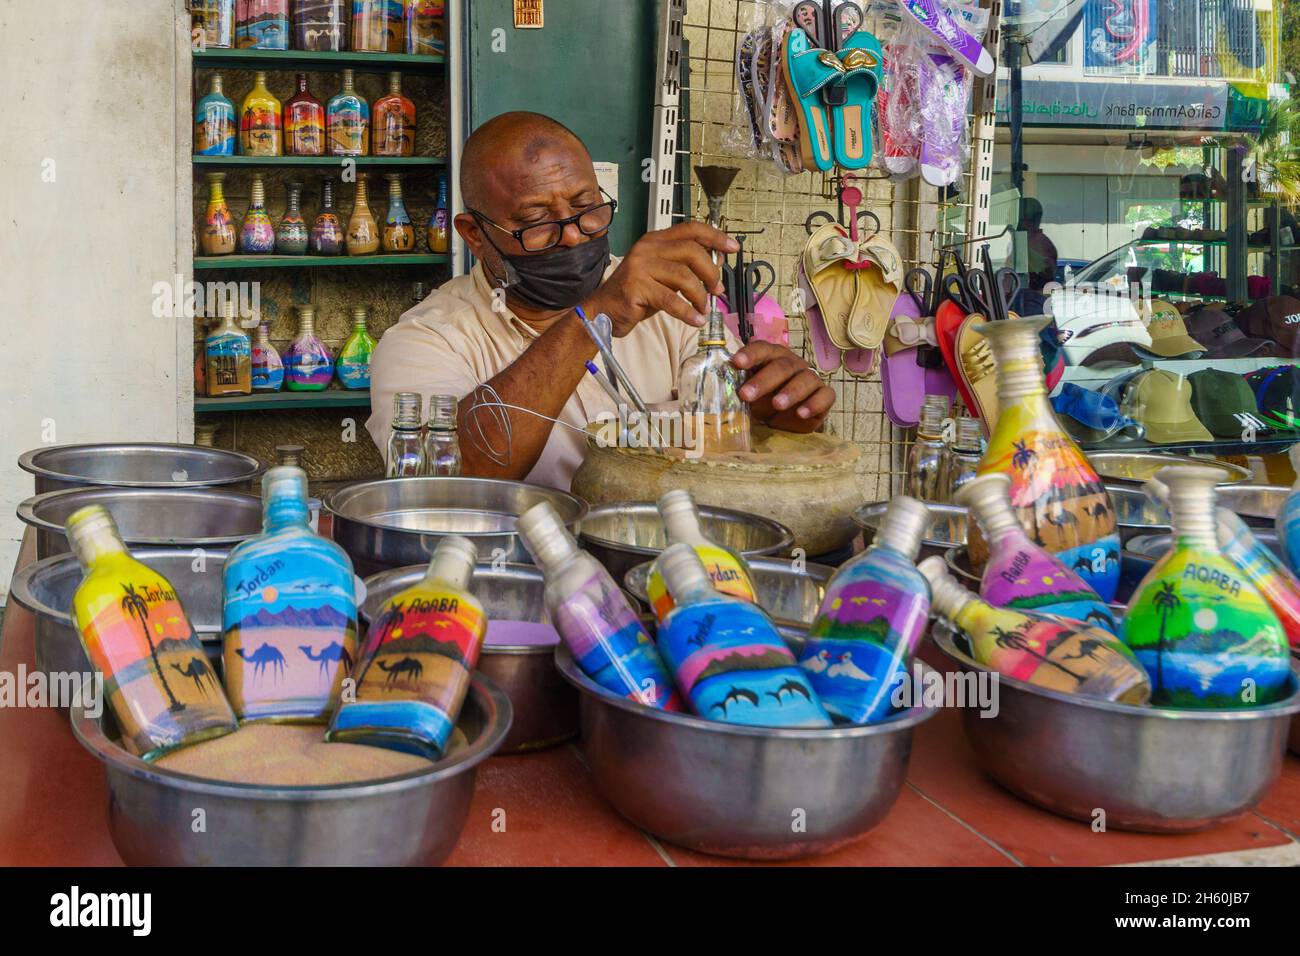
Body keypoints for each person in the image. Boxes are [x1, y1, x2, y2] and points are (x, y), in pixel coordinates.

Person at [366, 111, 835, 489]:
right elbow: (451, 480)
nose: (573, 236)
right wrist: (592, 319)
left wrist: (772, 412)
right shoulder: (424, 340)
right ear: (475, 234)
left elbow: (728, 426)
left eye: (588, 209)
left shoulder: (666, 301)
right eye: (537, 221)